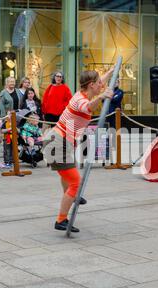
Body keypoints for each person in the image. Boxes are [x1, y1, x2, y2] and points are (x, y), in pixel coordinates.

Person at [43, 67, 115, 233]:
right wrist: (102, 97)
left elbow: (99, 82)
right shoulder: (80, 100)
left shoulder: (83, 92)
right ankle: (61, 220)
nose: (101, 86)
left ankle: (71, 196)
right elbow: (88, 106)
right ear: (91, 85)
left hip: (60, 142)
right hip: (57, 143)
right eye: (98, 84)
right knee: (75, 181)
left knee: (67, 176)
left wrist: (110, 71)